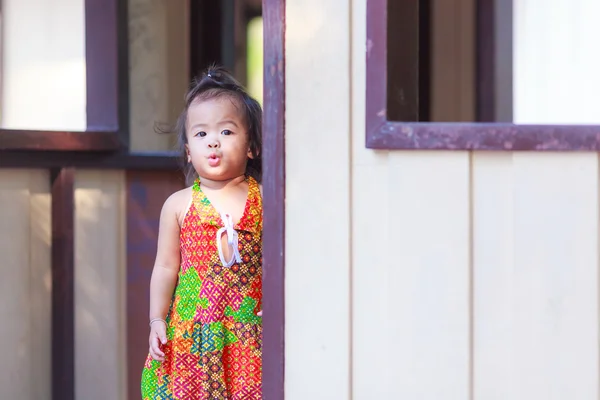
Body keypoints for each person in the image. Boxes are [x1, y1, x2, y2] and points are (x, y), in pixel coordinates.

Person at [141, 65, 263, 399]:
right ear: (188, 152)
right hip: (192, 334)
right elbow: (166, 267)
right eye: (201, 134)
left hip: (248, 332)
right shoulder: (178, 205)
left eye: (226, 132)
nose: (213, 142)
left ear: (251, 146)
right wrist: (157, 320)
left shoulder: (265, 199)